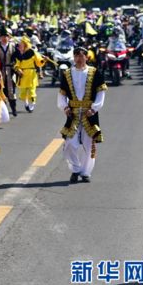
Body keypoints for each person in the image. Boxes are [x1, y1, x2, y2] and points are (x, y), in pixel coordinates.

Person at [58, 46, 107, 184]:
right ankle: (75, 169)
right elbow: (62, 93)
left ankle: (86, 172)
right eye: (76, 55)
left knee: (88, 143)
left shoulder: (95, 72)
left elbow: (100, 93)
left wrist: (95, 108)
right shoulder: (67, 74)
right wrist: (64, 107)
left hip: (89, 112)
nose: (79, 58)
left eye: (81, 55)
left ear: (87, 57)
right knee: (70, 144)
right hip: (73, 113)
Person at [14, 36, 45, 113]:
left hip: (31, 74)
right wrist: (18, 69)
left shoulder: (33, 52)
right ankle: (26, 104)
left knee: (31, 91)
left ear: (25, 44)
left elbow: (39, 62)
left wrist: (44, 60)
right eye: (20, 44)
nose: (20, 45)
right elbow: (16, 65)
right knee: (23, 91)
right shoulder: (19, 54)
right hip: (23, 75)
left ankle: (32, 105)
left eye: (21, 44)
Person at [0, 26, 19, 116]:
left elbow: (18, 58)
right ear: (0, 38)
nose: (4, 38)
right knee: (1, 90)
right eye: (2, 37)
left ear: (8, 37)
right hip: (0, 71)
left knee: (11, 90)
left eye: (6, 36)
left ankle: (14, 109)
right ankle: (4, 112)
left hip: (11, 70)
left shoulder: (13, 46)